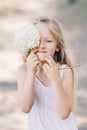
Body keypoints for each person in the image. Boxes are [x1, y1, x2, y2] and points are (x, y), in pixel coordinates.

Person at [17, 16, 78, 130]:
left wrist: (55, 80)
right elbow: (25, 108)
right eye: (37, 40)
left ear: (57, 47)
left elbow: (63, 113)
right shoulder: (23, 70)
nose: (42, 46)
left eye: (48, 41)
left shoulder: (64, 71)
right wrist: (31, 72)